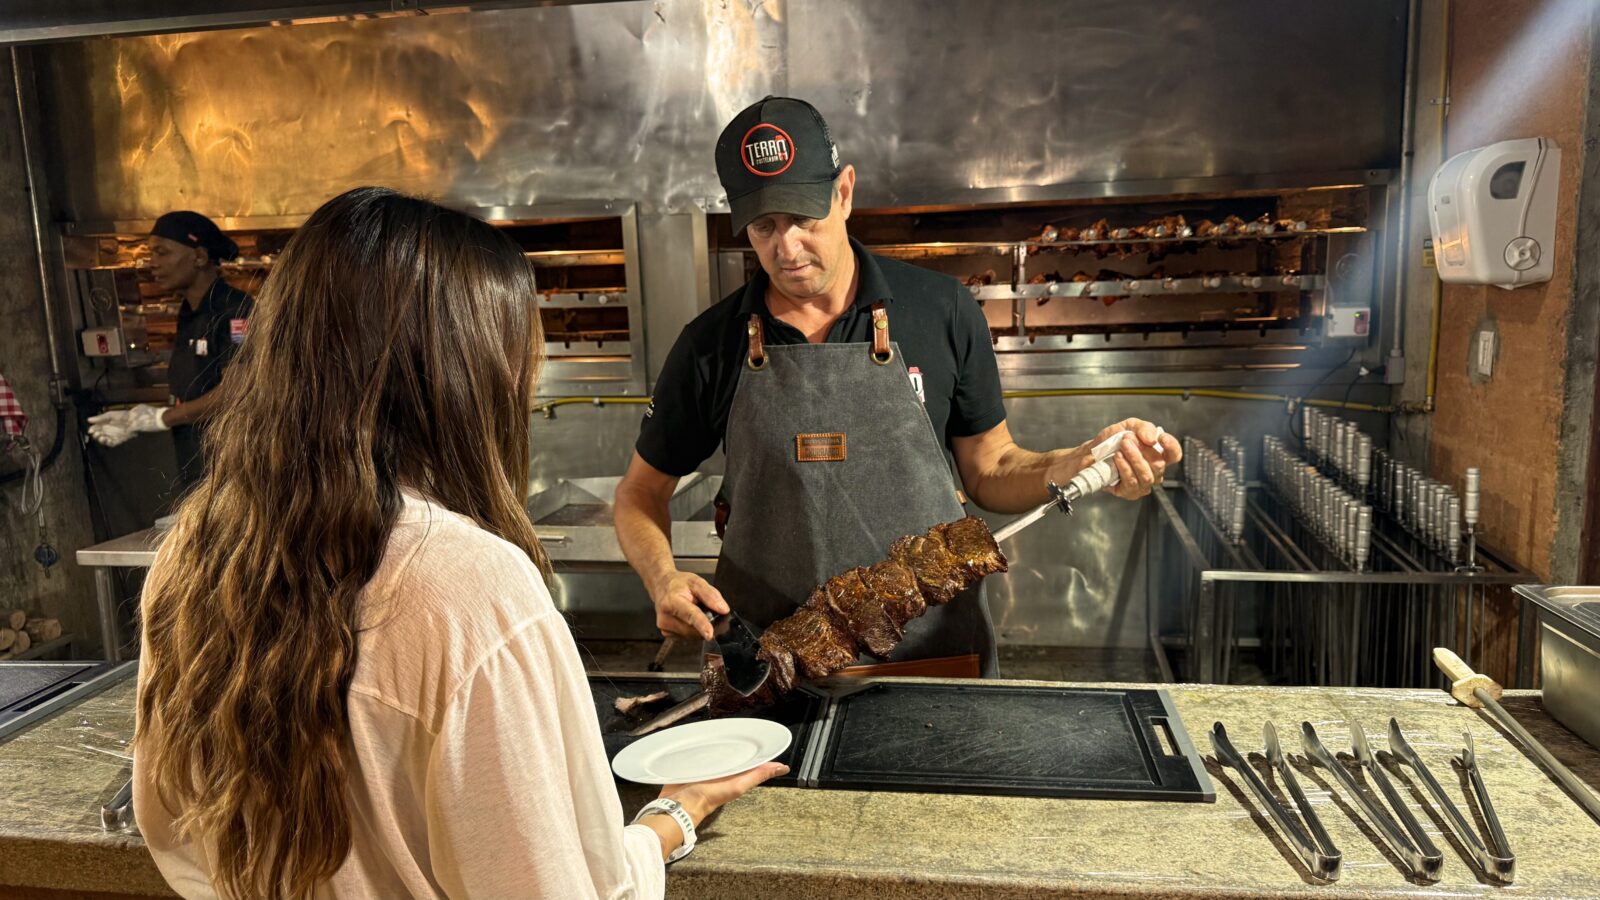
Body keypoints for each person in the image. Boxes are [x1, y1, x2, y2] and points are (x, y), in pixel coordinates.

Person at [133, 187, 783, 900]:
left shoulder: (197, 552)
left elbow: (172, 829)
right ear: (463, 371)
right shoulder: (470, 587)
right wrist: (670, 820)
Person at [614, 97, 1182, 678]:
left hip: (931, 660)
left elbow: (991, 468)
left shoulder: (941, 310)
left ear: (844, 193)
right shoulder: (711, 342)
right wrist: (662, 578)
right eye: (763, 226)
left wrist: (1079, 461)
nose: (786, 250)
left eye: (803, 217)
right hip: (767, 668)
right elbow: (639, 493)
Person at [87, 211, 253, 490]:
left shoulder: (234, 310)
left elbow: (237, 390)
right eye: (151, 253)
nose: (153, 264)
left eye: (162, 253)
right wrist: (133, 421)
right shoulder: (189, 310)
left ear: (199, 257)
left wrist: (159, 418)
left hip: (233, 465)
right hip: (197, 458)